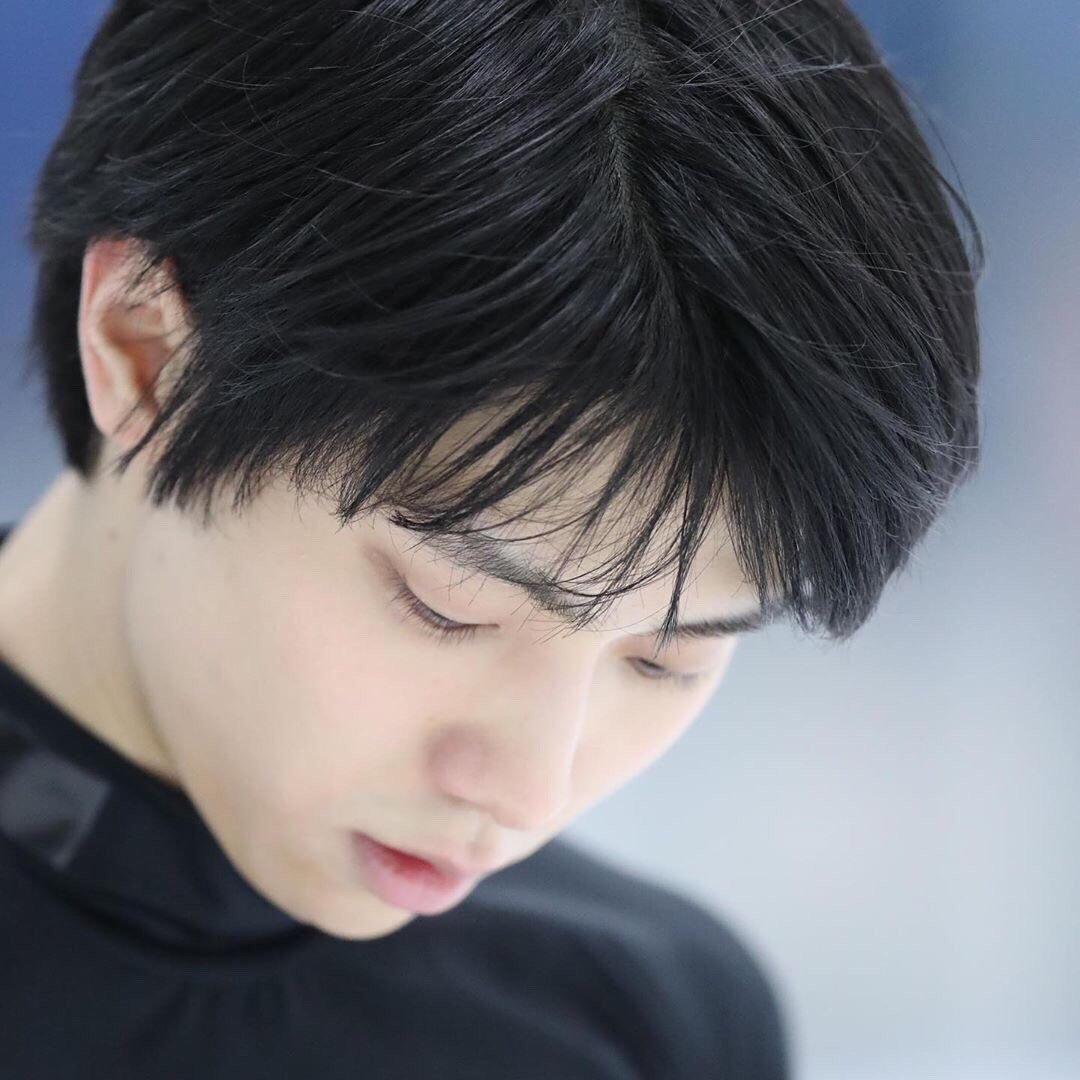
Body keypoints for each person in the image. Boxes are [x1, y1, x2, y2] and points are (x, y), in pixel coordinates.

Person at [0, 1, 982, 1076]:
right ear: (142, 349)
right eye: (447, 606)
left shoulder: (644, 1023)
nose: (527, 794)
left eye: (667, 658)